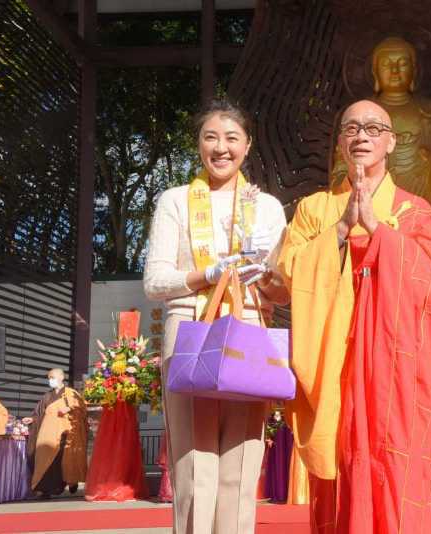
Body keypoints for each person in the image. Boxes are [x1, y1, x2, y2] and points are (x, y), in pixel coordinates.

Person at [278, 99, 431, 533]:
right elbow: (288, 268)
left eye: (374, 128)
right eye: (352, 128)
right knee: (341, 461)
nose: (362, 136)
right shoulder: (314, 208)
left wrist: (379, 230)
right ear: (339, 143)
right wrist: (340, 229)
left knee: (396, 456)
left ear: (392, 142)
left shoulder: (415, 210)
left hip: (395, 366)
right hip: (334, 359)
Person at [144, 98, 289, 534]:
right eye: (211, 137)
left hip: (247, 329)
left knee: (243, 458)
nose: (221, 147)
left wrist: (262, 274)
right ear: (199, 146)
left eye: (231, 138)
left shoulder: (266, 207)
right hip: (191, 327)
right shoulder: (174, 201)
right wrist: (205, 274)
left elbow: (282, 291)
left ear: (247, 146)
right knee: (193, 458)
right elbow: (155, 282)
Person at [334, 37, 431, 284]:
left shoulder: (430, 111)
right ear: (375, 72)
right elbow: (341, 165)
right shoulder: (362, 113)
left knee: (415, 261)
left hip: (420, 196)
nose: (395, 70)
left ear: (415, 71)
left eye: (403, 63)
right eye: (387, 64)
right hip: (370, 197)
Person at [24, 368, 88, 497]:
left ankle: (71, 481)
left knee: (63, 461)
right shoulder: (47, 396)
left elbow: (82, 408)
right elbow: (40, 412)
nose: (50, 380)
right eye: (49, 378)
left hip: (65, 434)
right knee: (44, 459)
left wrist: (69, 408)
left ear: (61, 377)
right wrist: (32, 419)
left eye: (52, 377)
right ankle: (46, 490)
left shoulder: (71, 393)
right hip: (47, 435)